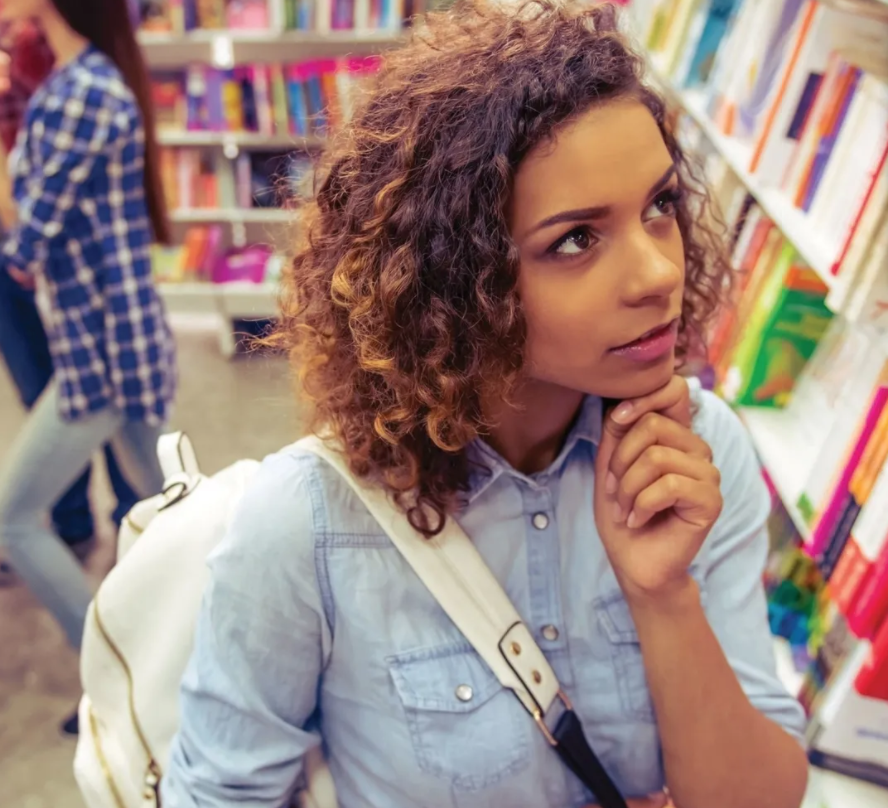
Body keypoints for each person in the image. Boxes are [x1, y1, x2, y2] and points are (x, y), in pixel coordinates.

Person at [164, 2, 808, 807]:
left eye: (661, 206)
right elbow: (217, 791)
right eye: (575, 239)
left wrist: (664, 596)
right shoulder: (310, 522)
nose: (657, 274)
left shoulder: (701, 453)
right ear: (456, 284)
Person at [0, 0, 176, 734]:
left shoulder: (82, 95)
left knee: (13, 520)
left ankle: (109, 676)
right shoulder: (81, 86)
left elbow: (25, 246)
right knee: (172, 513)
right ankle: (182, 658)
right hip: (111, 345)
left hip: (102, 356)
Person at [0, 20, 139, 584]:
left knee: (92, 401)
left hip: (73, 287)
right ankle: (77, 521)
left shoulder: (76, 83)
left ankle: (130, 527)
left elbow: (31, 232)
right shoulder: (73, 77)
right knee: (47, 392)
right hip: (67, 287)